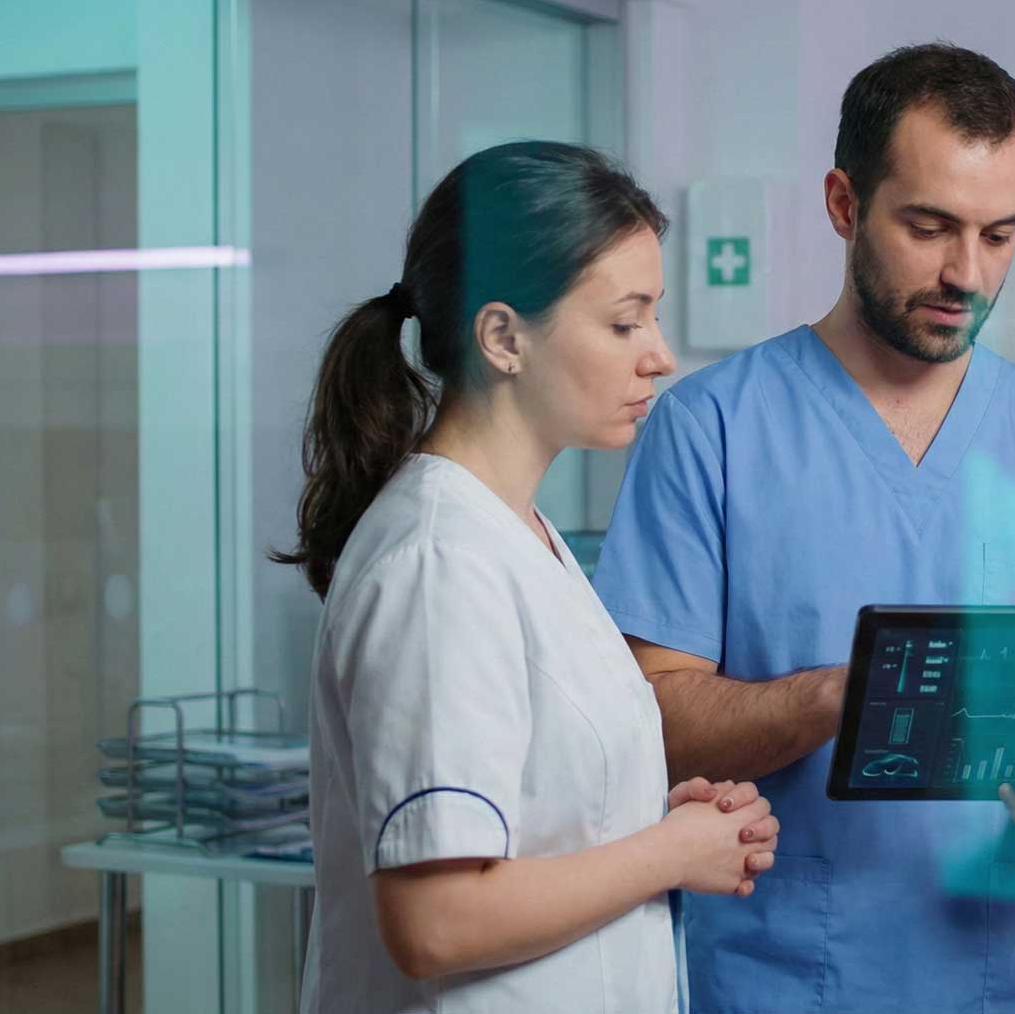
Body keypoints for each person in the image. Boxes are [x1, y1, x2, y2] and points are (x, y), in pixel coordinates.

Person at [592, 43, 1015, 1012]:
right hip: (772, 979)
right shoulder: (711, 430)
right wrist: (848, 697)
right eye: (929, 227)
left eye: (1000, 234)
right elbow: (650, 727)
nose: (965, 273)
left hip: (994, 982)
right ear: (844, 204)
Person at [275, 141, 780, 1013]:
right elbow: (435, 917)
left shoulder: (521, 533)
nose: (658, 354)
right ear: (504, 336)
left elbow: (524, 807)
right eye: (625, 322)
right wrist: (669, 854)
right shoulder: (439, 562)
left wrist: (656, 815)